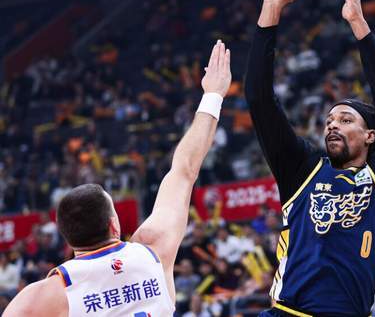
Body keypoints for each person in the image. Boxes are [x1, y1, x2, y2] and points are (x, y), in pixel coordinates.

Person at [4, 40, 232, 316]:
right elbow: (184, 170)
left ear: (67, 239)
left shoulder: (49, 293)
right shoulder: (152, 250)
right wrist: (213, 95)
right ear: (114, 224)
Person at [246, 0, 375, 316]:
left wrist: (359, 25)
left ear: (371, 135)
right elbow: (260, 100)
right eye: (329, 119)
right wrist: (270, 10)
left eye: (346, 119)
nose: (332, 125)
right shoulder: (302, 170)